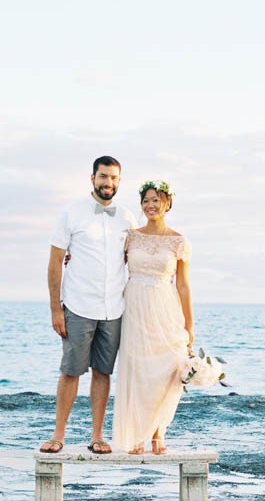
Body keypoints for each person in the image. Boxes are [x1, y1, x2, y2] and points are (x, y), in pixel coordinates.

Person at [40, 156, 137, 454]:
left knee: (103, 373)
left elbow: (133, 259)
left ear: (119, 182)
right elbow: (56, 262)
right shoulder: (72, 213)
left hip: (114, 309)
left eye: (114, 178)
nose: (108, 183)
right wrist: (56, 309)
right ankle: (58, 435)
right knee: (70, 371)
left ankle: (97, 436)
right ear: (92, 178)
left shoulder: (127, 219)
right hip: (79, 306)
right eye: (103, 177)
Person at [112, 180, 193, 454]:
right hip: (134, 303)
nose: (151, 206)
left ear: (168, 203)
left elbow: (183, 285)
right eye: (146, 201)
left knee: (167, 366)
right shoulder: (131, 236)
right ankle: (136, 434)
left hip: (164, 305)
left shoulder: (178, 240)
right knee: (137, 368)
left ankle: (158, 432)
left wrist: (189, 324)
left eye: (156, 200)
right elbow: (108, 263)